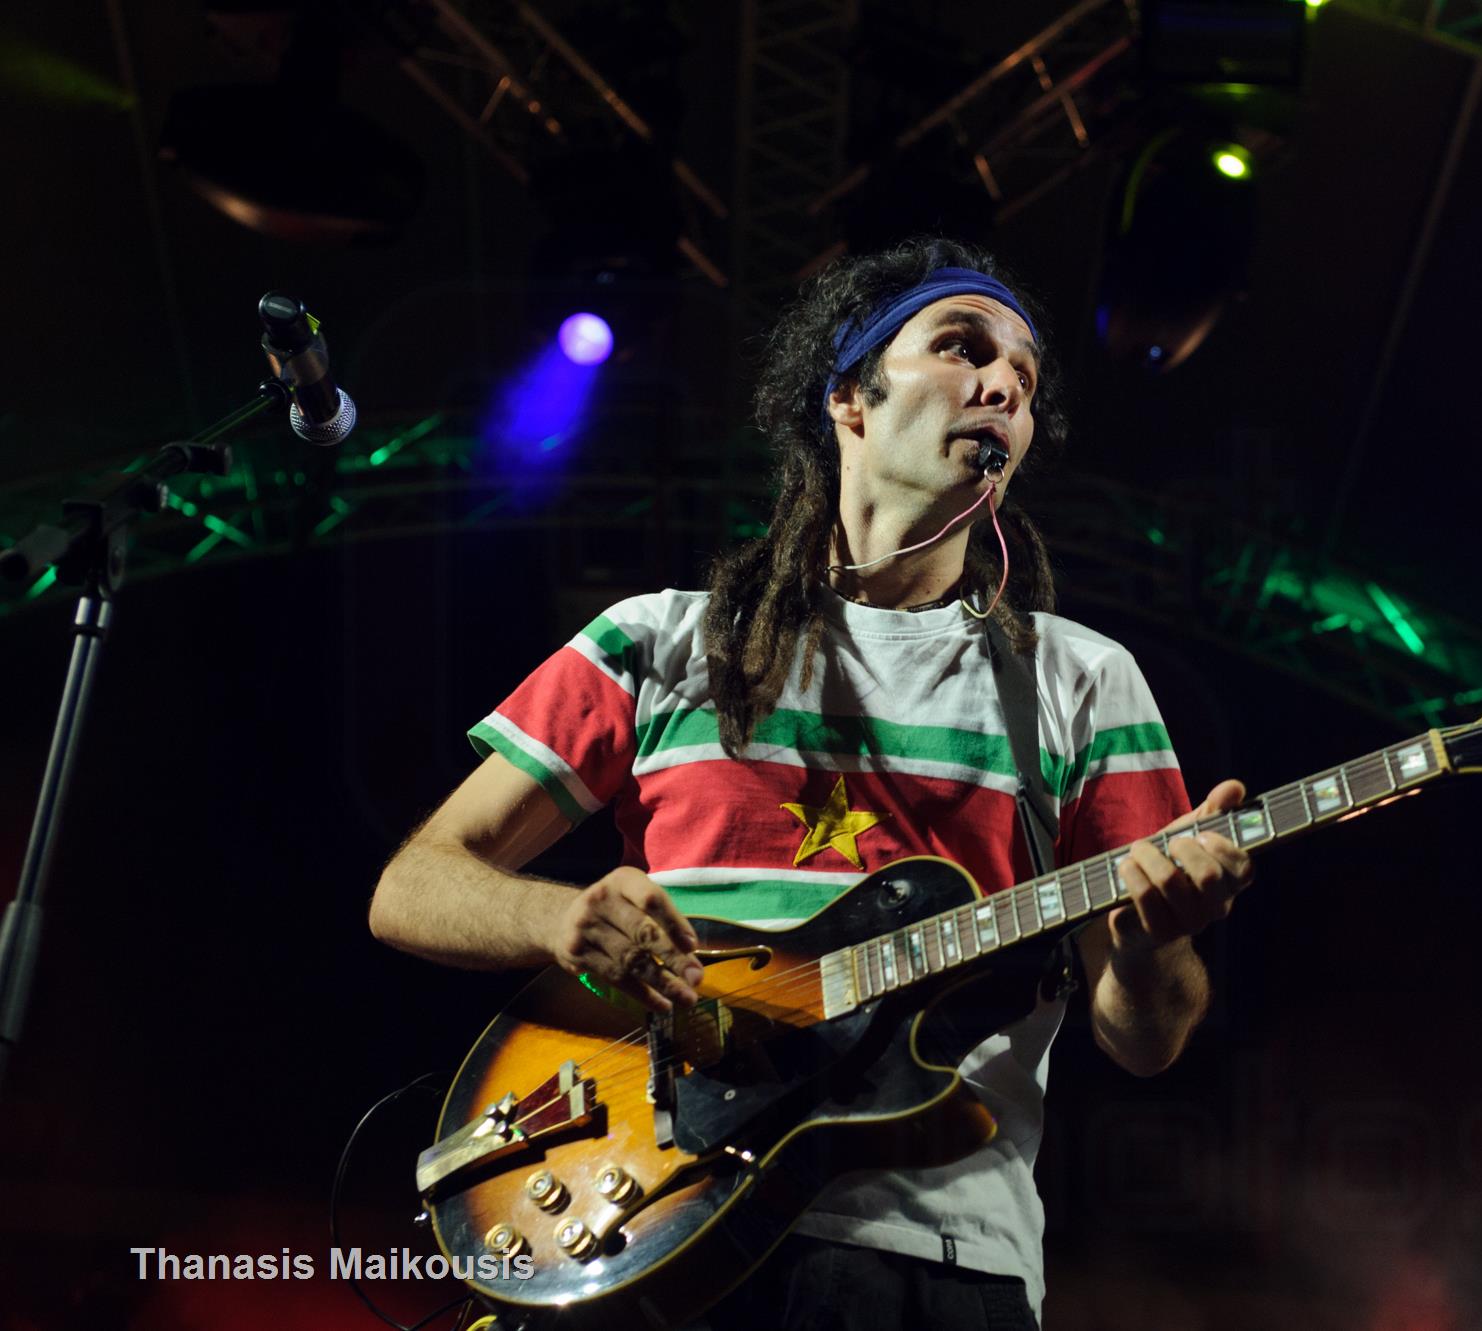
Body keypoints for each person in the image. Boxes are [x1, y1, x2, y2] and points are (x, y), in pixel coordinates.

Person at [367, 237, 1256, 1329]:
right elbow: (410, 886)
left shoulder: (1080, 680)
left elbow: (1145, 1037)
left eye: (1024, 382)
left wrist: (1154, 941)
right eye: (963, 348)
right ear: (849, 396)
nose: (1003, 389)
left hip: (935, 1258)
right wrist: (560, 919)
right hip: (647, 1224)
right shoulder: (656, 641)